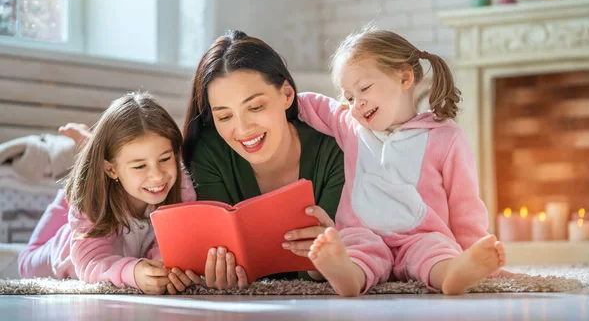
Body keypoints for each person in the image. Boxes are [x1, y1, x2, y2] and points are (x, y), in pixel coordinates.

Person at [297, 27, 506, 296]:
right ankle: (346, 275)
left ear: (405, 77)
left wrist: (475, 251)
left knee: (437, 252)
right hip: (364, 234)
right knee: (354, 248)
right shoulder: (350, 126)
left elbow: (464, 204)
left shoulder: (445, 136)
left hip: (421, 236)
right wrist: (281, 97)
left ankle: (453, 273)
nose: (356, 103)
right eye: (349, 97)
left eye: (364, 89)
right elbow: (314, 104)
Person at [181, 30, 345, 289]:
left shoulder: (335, 150)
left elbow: (330, 267)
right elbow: (219, 256)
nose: (243, 129)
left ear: (287, 95)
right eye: (225, 117)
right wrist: (214, 271)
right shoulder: (209, 153)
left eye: (255, 107)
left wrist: (325, 262)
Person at [19, 93, 197, 295]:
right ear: (111, 169)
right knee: (26, 263)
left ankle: (86, 160)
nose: (157, 176)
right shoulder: (94, 200)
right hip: (61, 252)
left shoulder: (181, 187)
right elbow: (92, 261)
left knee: (86, 188)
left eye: (165, 159)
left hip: (99, 184)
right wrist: (133, 272)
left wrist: (161, 269)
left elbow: (170, 247)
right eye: (140, 166)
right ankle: (80, 172)